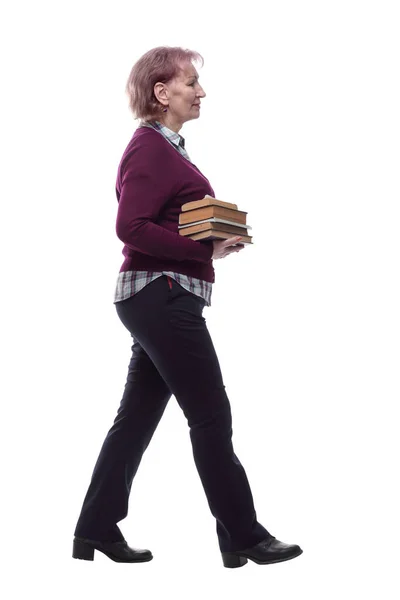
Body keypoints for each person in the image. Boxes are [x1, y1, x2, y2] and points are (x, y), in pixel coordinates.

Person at [72, 46, 303, 569]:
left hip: (157, 295)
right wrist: (204, 248)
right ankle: (242, 533)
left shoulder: (167, 150)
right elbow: (130, 227)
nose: (201, 92)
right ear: (162, 92)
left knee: (135, 419)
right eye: (192, 83)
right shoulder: (150, 148)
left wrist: (214, 240)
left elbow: (161, 221)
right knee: (211, 414)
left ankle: (95, 528)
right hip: (162, 295)